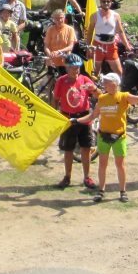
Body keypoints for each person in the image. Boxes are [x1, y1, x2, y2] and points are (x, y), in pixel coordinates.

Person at [81, 71, 138, 202]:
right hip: (103, 136)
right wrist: (76, 120)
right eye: (104, 82)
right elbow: (93, 115)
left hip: (119, 137)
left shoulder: (124, 96)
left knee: (120, 165)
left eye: (107, 82)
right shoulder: (102, 98)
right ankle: (101, 191)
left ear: (115, 84)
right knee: (102, 164)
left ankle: (123, 191)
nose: (104, 84)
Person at [52, 54, 99, 190]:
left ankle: (87, 176)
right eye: (73, 68)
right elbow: (55, 99)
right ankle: (67, 176)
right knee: (68, 149)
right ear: (67, 68)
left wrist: (94, 89)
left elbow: (100, 95)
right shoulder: (61, 81)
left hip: (84, 118)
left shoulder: (85, 80)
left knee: (86, 148)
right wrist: (54, 114)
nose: (76, 70)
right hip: (67, 118)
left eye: (78, 68)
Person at [86, 0, 131, 76]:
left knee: (119, 72)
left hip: (111, 46)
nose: (106, 3)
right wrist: (88, 47)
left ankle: (118, 88)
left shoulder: (116, 15)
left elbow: (120, 32)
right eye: (104, 1)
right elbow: (90, 32)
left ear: (111, 2)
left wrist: (127, 45)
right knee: (96, 72)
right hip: (98, 45)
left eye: (108, 1)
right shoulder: (94, 15)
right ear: (100, 2)